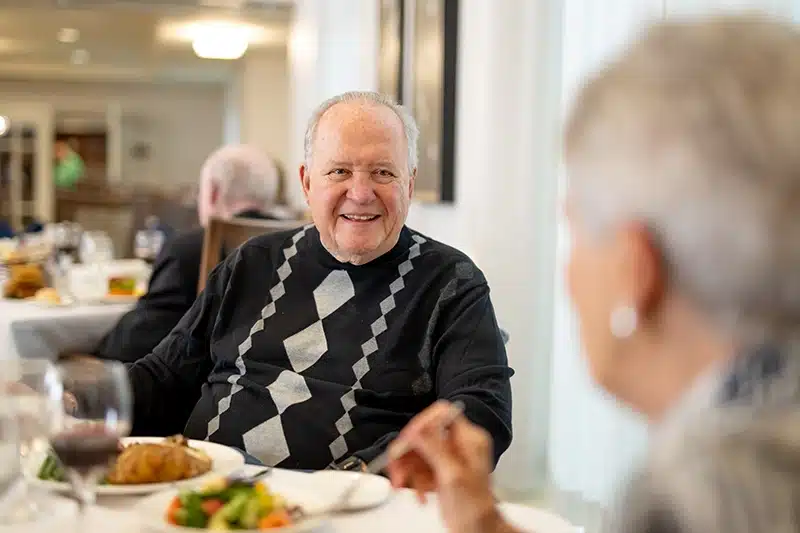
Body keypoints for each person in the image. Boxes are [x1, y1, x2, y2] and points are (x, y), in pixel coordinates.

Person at [387, 15, 800, 533]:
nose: (569, 273)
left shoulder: (700, 497)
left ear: (636, 272)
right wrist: (484, 522)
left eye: (576, 231)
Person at [126, 91, 514, 471]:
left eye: (383, 172)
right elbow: (163, 375)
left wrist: (366, 474)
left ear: (409, 184)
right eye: (339, 171)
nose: (361, 194)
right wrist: (76, 403)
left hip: (351, 510)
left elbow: (481, 409)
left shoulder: (450, 281)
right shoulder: (252, 261)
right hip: (204, 494)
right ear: (307, 182)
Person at [94, 144, 281, 364]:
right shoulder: (299, 242)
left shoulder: (190, 250)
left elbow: (134, 343)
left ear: (212, 192)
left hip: (205, 391)